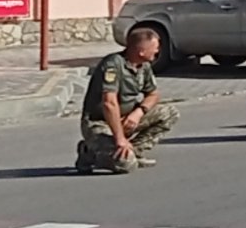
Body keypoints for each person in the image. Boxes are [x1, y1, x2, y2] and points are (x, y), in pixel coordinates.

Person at [76, 27, 179, 174]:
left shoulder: (144, 66)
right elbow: (109, 103)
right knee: (125, 165)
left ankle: (134, 151)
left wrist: (138, 113)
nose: (157, 51)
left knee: (169, 113)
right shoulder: (113, 65)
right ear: (141, 51)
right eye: (155, 48)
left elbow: (153, 95)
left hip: (127, 120)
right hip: (101, 122)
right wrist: (120, 139)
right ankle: (89, 152)